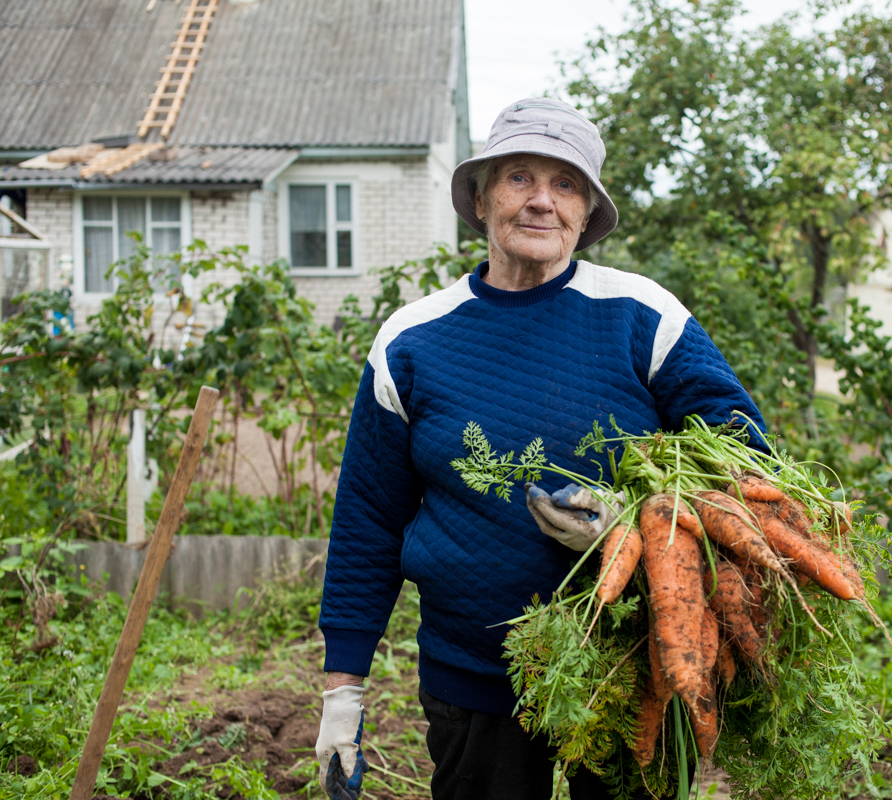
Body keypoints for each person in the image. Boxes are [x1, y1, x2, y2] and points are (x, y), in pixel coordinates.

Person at [314, 98, 766, 800]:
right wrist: (343, 690)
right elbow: (368, 521)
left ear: (586, 214)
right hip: (472, 673)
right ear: (482, 196)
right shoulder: (413, 339)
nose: (541, 202)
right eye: (520, 178)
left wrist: (637, 518)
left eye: (565, 185)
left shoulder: (642, 316)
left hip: (628, 664)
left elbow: (744, 456)